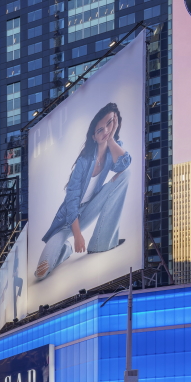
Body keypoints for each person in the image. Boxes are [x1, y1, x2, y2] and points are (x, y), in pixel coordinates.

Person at [34, 103, 132, 281]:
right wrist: (77, 236)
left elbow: (125, 164)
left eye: (110, 123)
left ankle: (100, 243)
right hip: (68, 220)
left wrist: (111, 139)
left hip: (90, 208)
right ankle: (65, 250)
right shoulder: (84, 161)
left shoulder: (112, 150)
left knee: (125, 175)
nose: (106, 131)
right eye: (100, 130)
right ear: (94, 136)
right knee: (41, 272)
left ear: (115, 124)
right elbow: (71, 201)